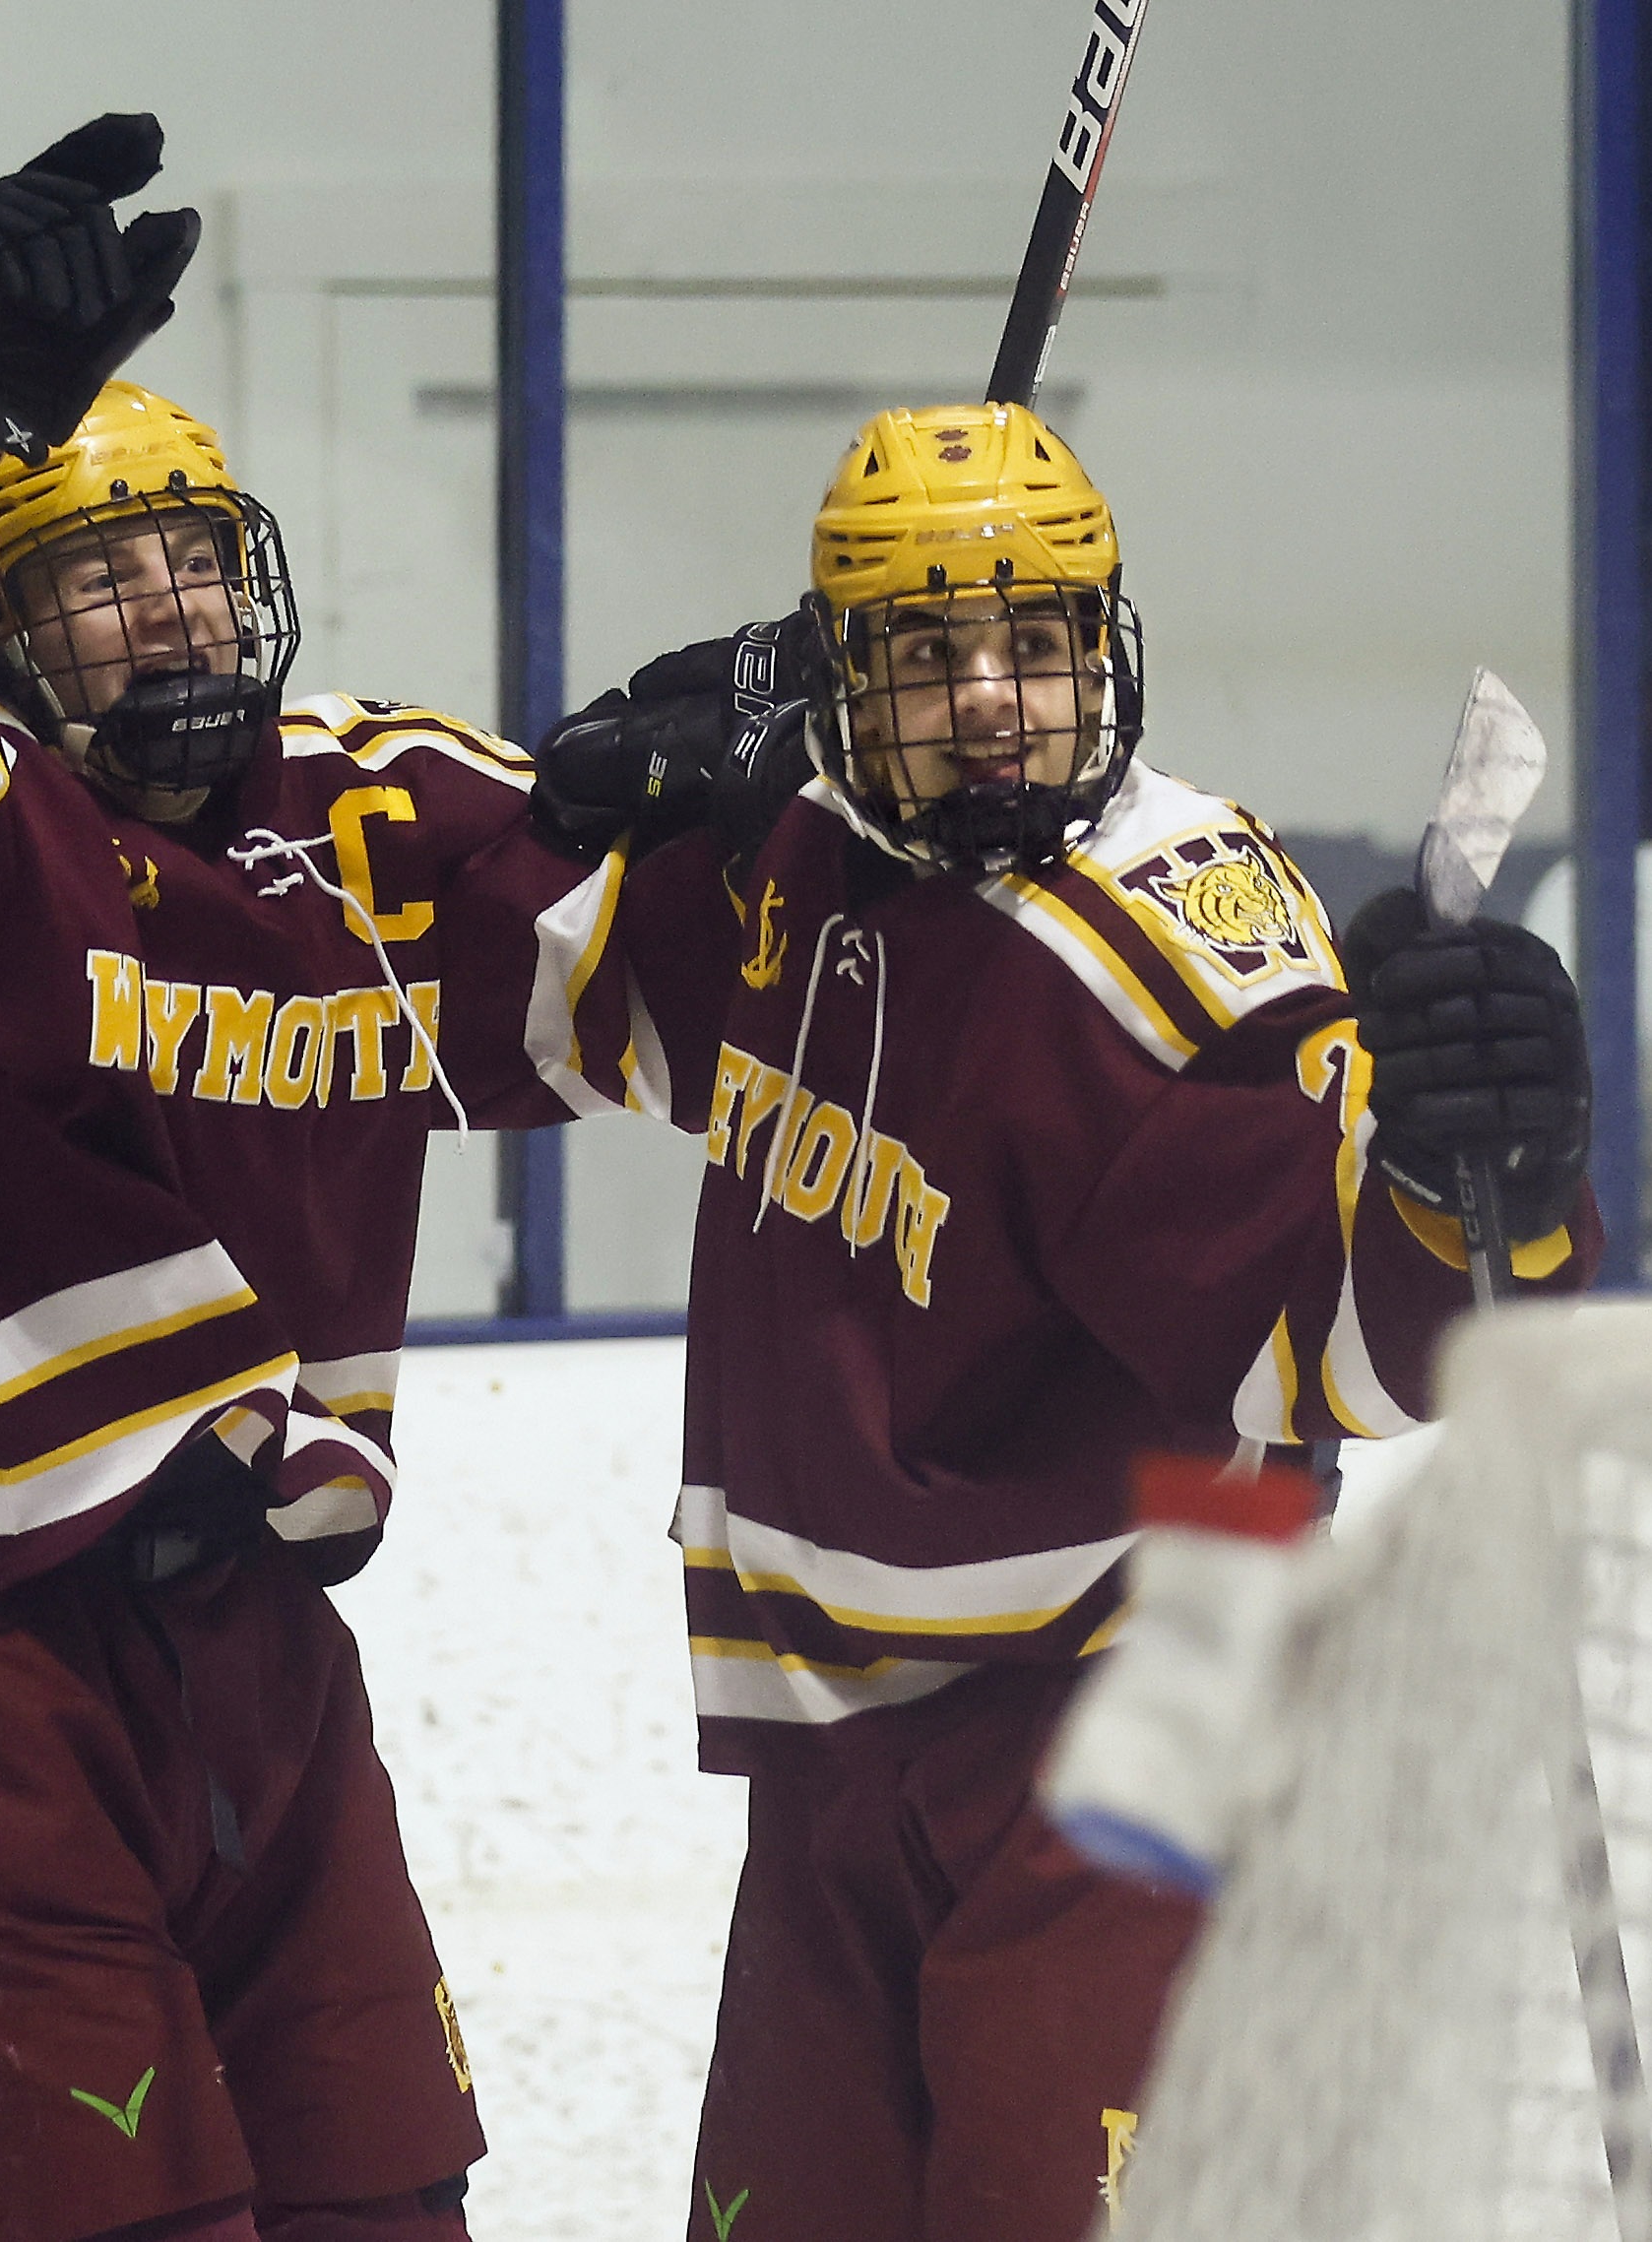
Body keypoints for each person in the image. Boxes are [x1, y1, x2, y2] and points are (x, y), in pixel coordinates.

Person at [0, 113, 627, 2242]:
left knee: (393, 2214)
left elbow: (683, 991)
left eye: (189, 552)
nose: (166, 598)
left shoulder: (362, 815)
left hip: (265, 1649)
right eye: (94, 573)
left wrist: (767, 769)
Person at [529, 399, 1599, 2242]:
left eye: (1037, 644)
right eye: (935, 655)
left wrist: (1468, 1172)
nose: (1000, 700)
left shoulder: (1158, 953)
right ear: (842, 680)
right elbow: (528, 993)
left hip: (1127, 1728)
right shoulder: (788, 863)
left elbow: (1355, 1342)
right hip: (837, 1754)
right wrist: (596, 789)